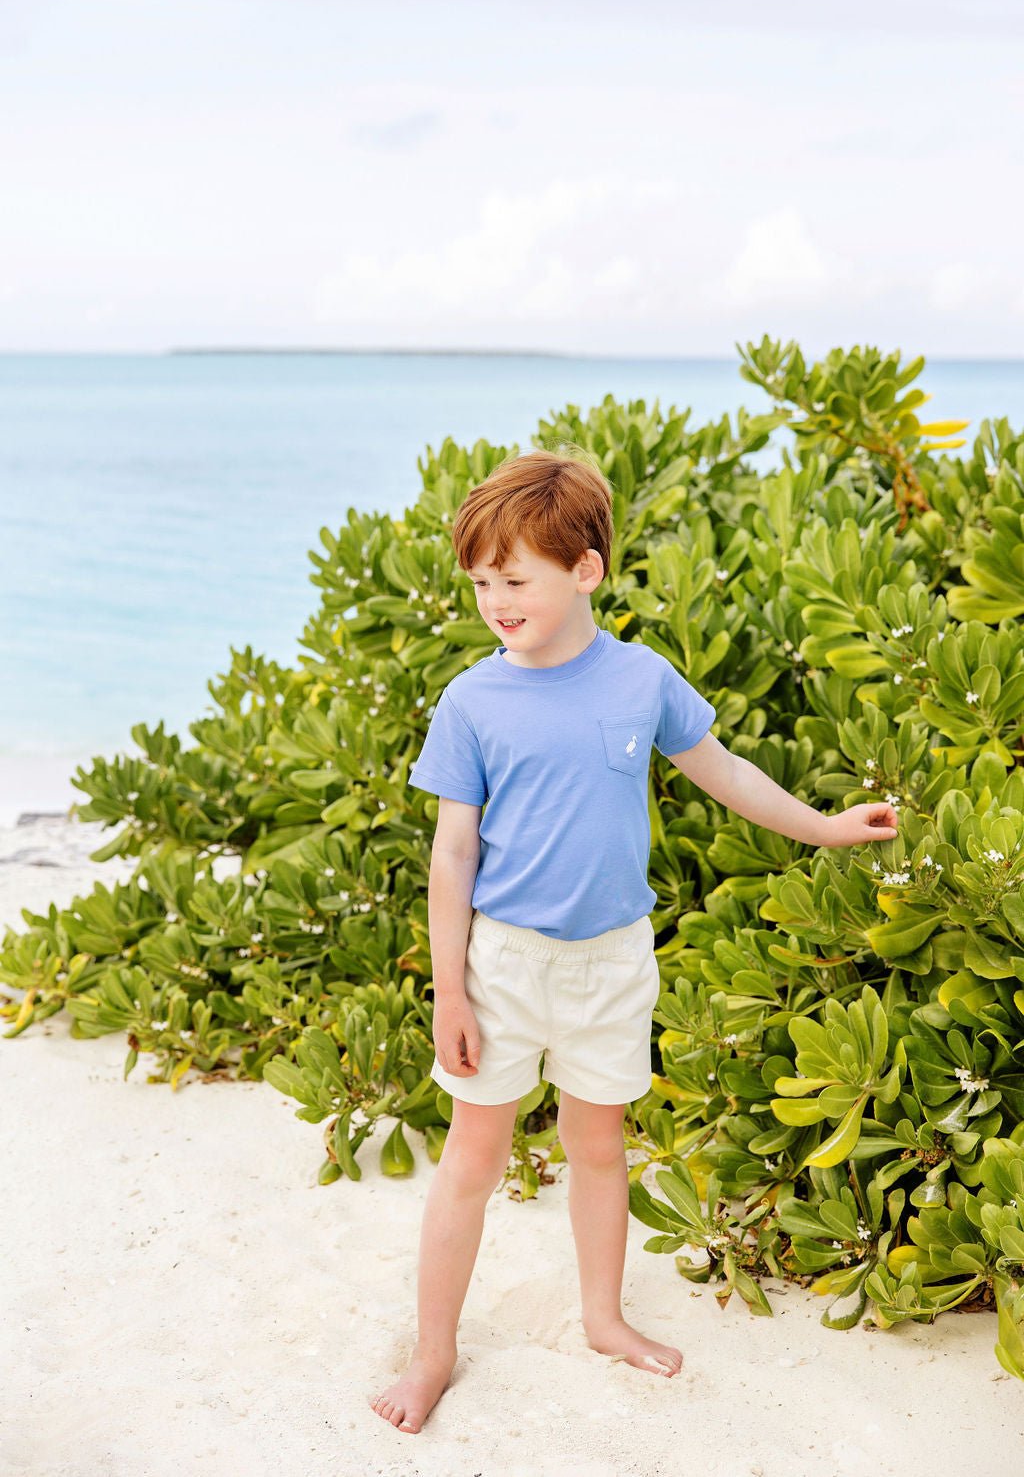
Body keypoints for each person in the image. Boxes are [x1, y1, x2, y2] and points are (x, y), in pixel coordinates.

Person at [368, 447, 898, 1435]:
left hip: (613, 961)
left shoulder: (640, 679)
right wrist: (450, 990)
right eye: (481, 580)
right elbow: (453, 856)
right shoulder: (472, 700)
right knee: (472, 1157)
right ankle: (433, 1349)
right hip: (505, 965)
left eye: (515, 577)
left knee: (598, 1146)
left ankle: (603, 1316)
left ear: (585, 570)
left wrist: (825, 824)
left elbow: (726, 770)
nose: (495, 598)